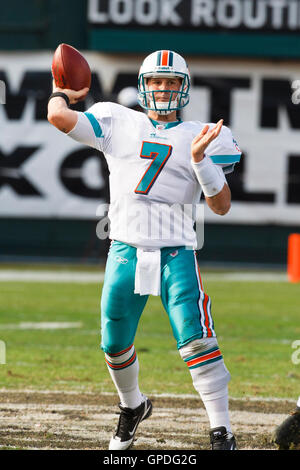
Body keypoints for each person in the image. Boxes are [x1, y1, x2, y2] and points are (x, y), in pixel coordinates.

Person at [47, 50, 241, 451]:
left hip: (176, 252)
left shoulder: (202, 134)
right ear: (143, 85)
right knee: (113, 341)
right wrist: (60, 92)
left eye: (171, 82)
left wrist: (201, 161)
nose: (163, 89)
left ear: (183, 88)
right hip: (125, 250)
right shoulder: (118, 120)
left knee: (196, 338)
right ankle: (132, 406)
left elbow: (221, 206)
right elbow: (58, 117)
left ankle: (221, 429)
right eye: (156, 81)